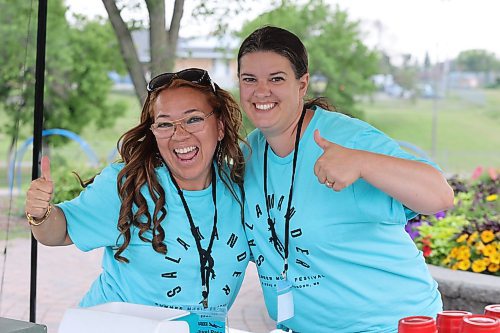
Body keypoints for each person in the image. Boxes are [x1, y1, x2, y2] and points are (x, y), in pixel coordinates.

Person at [237, 26, 455, 333]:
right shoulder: (249, 153)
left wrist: (362, 162)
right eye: (250, 79)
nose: (261, 91)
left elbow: (440, 195)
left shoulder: (346, 138)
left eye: (276, 78)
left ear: (302, 85)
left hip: (391, 325)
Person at [25, 68, 249, 313]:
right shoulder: (129, 184)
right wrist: (41, 214)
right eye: (165, 124)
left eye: (193, 119)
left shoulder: (241, 187)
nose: (180, 134)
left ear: (220, 127)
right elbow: (58, 233)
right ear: (154, 134)